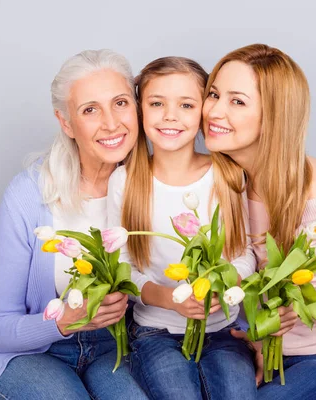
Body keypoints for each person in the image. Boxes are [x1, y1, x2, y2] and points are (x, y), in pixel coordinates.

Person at [202, 43, 316, 400]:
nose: (214, 111)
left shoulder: (314, 190)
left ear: (274, 114)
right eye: (213, 94)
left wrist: (296, 306)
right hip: (267, 356)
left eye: (237, 101)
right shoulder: (228, 182)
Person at [0, 49, 147, 400]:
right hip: (35, 353)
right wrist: (64, 320)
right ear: (66, 122)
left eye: (121, 103)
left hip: (113, 350)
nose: (112, 123)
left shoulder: (153, 186)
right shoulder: (29, 193)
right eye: (90, 110)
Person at [107, 56, 257, 400]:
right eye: (157, 103)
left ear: (203, 112)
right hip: (155, 331)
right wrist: (172, 301)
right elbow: (123, 269)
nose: (170, 116)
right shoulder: (126, 181)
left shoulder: (226, 175)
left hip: (223, 331)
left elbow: (244, 255)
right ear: (141, 111)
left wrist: (225, 285)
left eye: (186, 105)